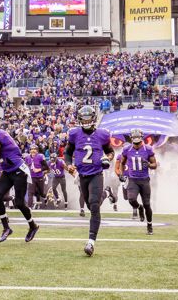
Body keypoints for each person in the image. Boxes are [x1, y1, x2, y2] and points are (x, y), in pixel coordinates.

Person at [0, 113, 39, 243]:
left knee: (20, 203)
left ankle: (33, 226)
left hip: (18, 170)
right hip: (8, 170)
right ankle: (6, 228)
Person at [65, 105, 114, 256]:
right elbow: (67, 153)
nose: (86, 121)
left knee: (94, 205)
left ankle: (91, 242)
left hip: (96, 174)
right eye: (83, 118)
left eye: (88, 118)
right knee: (92, 205)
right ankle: (106, 194)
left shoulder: (102, 134)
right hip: (82, 175)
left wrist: (107, 158)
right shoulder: (74, 134)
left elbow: (110, 151)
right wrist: (68, 165)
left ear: (93, 118)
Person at [120, 129, 157, 235]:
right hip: (133, 179)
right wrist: (122, 174)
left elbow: (155, 165)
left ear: (141, 138)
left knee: (147, 204)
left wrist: (149, 165)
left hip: (144, 180)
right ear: (131, 138)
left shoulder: (148, 149)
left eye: (138, 138)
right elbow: (122, 162)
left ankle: (149, 226)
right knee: (131, 199)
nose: (136, 141)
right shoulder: (127, 149)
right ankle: (139, 207)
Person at [26, 144, 49, 209]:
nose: (33, 151)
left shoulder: (40, 156)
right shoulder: (27, 157)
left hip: (39, 177)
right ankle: (29, 207)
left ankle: (45, 197)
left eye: (34, 149)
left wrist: (39, 169)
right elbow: (26, 166)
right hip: (32, 177)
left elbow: (46, 167)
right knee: (30, 192)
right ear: (30, 150)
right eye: (32, 149)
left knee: (41, 193)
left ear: (37, 150)